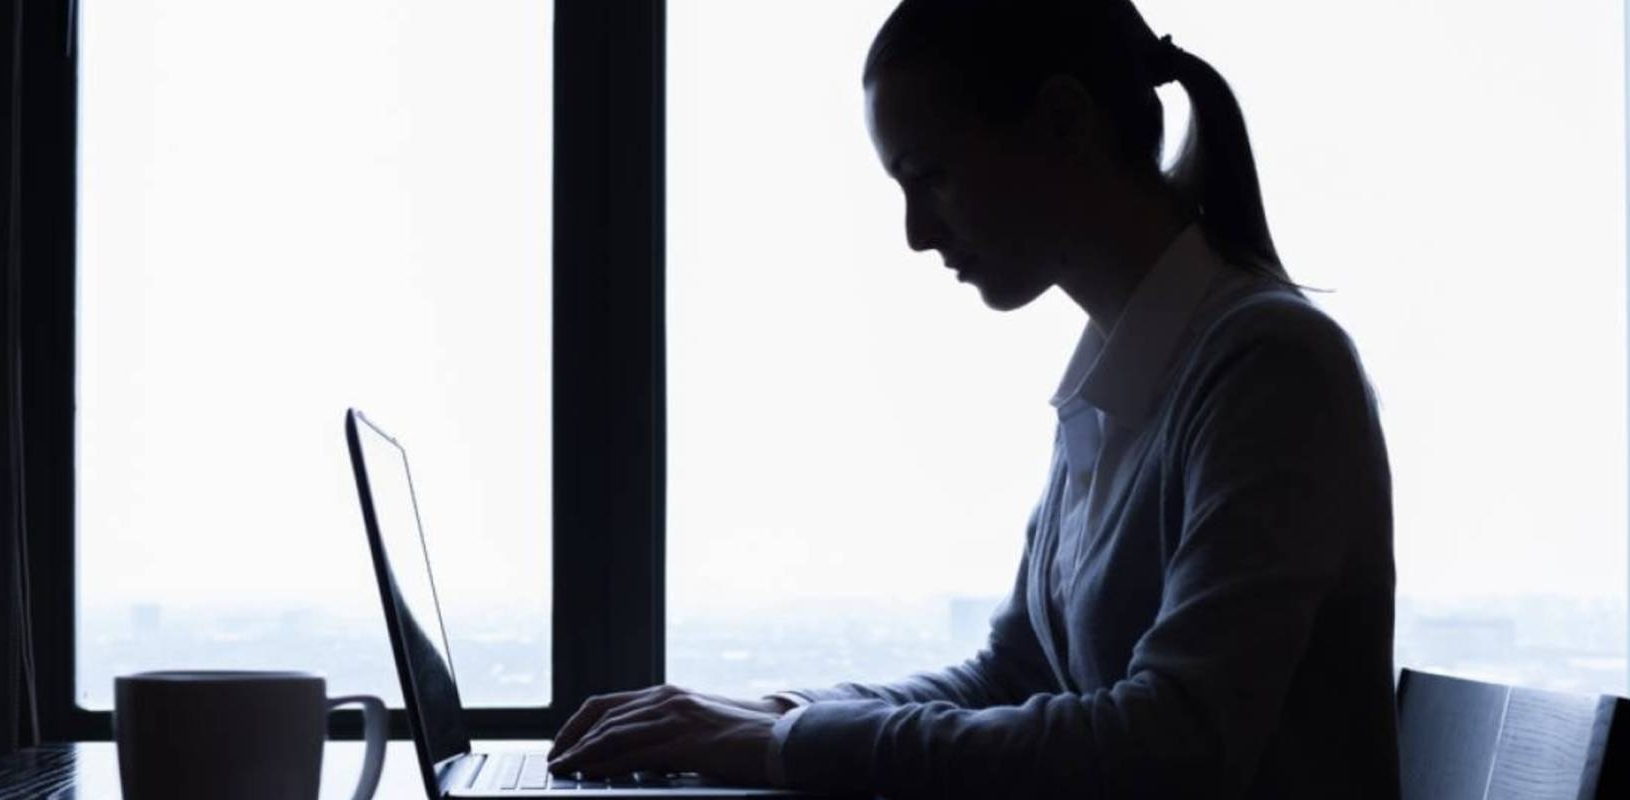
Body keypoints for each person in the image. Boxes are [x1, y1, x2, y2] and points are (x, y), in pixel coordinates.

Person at [547, 0, 1398, 796]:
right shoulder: (1125, 373)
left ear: (1065, 122)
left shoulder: (1268, 367)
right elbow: (1012, 678)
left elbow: (1179, 740)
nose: (917, 233)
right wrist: (777, 714)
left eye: (930, 175)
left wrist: (784, 747)